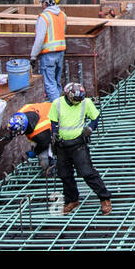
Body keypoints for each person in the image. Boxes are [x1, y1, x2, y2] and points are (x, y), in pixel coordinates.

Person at [50, 82, 113, 214]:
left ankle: (104, 198)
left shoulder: (85, 102)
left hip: (78, 145)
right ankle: (72, 200)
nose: (78, 102)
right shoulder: (58, 103)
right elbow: (54, 121)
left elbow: (95, 117)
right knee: (65, 175)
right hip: (62, 145)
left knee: (87, 172)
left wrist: (90, 128)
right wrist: (54, 132)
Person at [29, 0, 67, 101]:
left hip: (48, 55)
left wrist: (33, 56)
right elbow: (63, 31)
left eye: (42, 3)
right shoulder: (62, 15)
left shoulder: (44, 17)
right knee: (56, 82)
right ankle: (61, 105)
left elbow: (39, 39)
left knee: (49, 84)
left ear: (45, 3)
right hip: (60, 52)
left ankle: (57, 111)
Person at [5, 101, 55, 176]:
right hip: (49, 107)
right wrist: (10, 134)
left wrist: (35, 152)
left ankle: (51, 171)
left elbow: (44, 144)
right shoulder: (21, 113)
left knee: (44, 156)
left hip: (59, 124)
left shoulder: (40, 133)